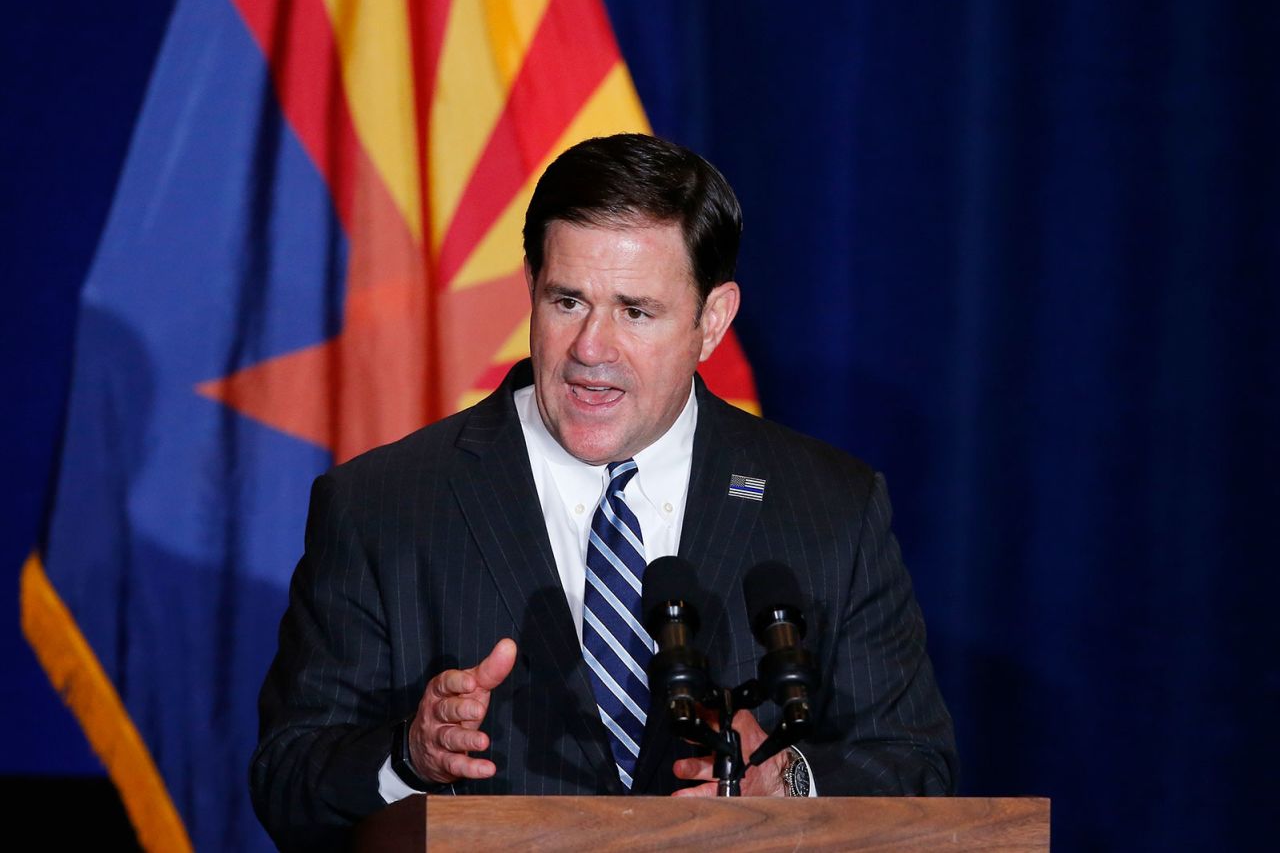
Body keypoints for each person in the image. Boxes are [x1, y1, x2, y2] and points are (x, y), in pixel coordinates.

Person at [250, 133, 957, 851]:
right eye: (568, 301)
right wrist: (408, 753)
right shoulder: (383, 506)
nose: (591, 348)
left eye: (635, 311)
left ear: (711, 321)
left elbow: (916, 767)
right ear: (531, 286)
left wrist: (795, 784)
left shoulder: (830, 506)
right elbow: (287, 778)